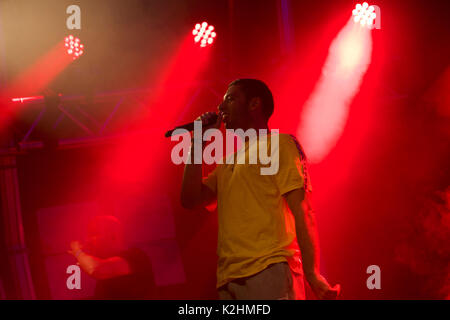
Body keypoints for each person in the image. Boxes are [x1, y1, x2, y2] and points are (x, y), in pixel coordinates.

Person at [180, 79, 340, 300]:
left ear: (254, 104)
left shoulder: (280, 145)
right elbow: (190, 199)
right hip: (228, 279)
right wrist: (197, 142)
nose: (221, 108)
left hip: (269, 269)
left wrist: (312, 274)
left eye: (230, 99)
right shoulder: (227, 163)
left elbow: (304, 212)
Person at [68, 215, 156, 299]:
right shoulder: (105, 272)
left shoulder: (135, 256)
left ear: (112, 235)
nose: (88, 240)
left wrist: (78, 252)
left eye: (94, 234)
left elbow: (95, 269)